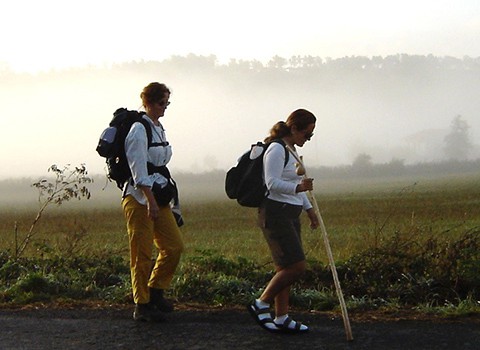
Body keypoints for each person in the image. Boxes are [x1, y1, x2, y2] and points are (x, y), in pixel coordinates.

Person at [247, 109, 320, 333]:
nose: (307, 140)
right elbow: (272, 183)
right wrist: (299, 187)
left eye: (311, 136)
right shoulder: (277, 149)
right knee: (296, 266)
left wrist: (309, 210)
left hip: (290, 212)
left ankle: (282, 317)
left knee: (284, 267)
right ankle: (260, 303)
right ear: (294, 128)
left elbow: (296, 188)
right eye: (306, 135)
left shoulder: (292, 151)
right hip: (275, 212)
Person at [122, 82, 184, 322]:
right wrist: (149, 200)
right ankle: (142, 304)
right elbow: (138, 168)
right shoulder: (139, 129)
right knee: (142, 253)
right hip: (139, 198)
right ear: (147, 102)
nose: (165, 107)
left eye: (167, 103)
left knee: (174, 246)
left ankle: (156, 290)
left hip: (158, 195)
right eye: (161, 103)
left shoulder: (158, 127)